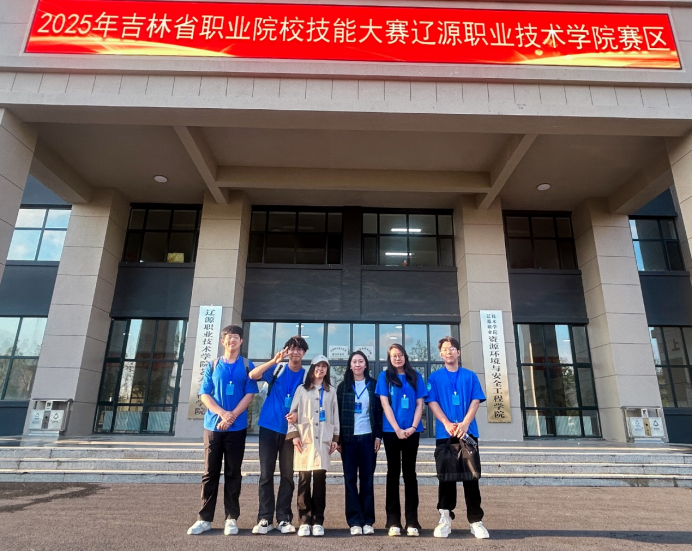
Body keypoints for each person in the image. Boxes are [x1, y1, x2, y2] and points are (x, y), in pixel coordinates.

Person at [187, 325, 259, 536]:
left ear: (241, 341)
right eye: (229, 337)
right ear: (223, 341)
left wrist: (232, 416)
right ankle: (204, 519)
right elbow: (204, 394)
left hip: (237, 428)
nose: (232, 340)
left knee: (233, 473)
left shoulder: (247, 365)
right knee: (209, 473)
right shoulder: (213, 364)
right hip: (213, 427)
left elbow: (250, 394)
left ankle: (231, 518)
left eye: (236, 337)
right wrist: (222, 414)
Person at [426, 336, 489, 540]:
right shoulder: (434, 378)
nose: (449, 351)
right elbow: (432, 402)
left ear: (458, 352)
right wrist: (446, 423)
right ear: (440, 354)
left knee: (471, 477)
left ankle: (475, 521)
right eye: (445, 349)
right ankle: (445, 518)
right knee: (446, 478)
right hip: (445, 435)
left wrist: (465, 423)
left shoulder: (470, 376)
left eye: (452, 348)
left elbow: (476, 400)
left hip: (467, 433)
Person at [248, 335, 309, 535]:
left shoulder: (306, 376)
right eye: (291, 348)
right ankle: (265, 518)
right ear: (286, 351)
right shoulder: (277, 369)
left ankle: (283, 518)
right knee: (266, 474)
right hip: (269, 426)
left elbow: (310, 402)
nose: (295, 352)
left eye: (299, 349)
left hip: (291, 432)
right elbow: (253, 375)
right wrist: (273, 361)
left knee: (287, 476)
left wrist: (298, 414)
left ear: (304, 353)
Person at [375, 343, 427, 538]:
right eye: (394, 356)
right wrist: (397, 428)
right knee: (393, 473)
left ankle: (412, 521)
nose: (397, 358)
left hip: (412, 431)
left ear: (405, 356)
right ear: (389, 359)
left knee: (410, 474)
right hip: (391, 432)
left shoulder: (416, 376)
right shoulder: (384, 377)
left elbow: (420, 404)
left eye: (400, 354)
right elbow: (385, 404)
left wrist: (413, 427)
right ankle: (393, 521)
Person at [287, 355, 340, 537]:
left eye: (324, 366)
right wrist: (294, 435)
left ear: (327, 370)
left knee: (319, 481)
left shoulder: (331, 391)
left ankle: (318, 521)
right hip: (305, 440)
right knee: (303, 481)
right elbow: (292, 414)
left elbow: (335, 416)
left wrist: (335, 438)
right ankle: (304, 520)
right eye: (317, 366)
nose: (320, 369)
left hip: (323, 440)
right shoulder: (302, 390)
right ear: (312, 369)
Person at [337, 351, 383, 536]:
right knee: (349, 479)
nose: (357, 364)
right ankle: (354, 520)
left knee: (367, 479)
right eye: (354, 361)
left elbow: (378, 412)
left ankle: (368, 520)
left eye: (360, 361)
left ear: (365, 365)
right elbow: (337, 415)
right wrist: (338, 439)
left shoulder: (373, 385)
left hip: (368, 438)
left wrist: (378, 436)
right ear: (350, 365)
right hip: (348, 439)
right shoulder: (343, 387)